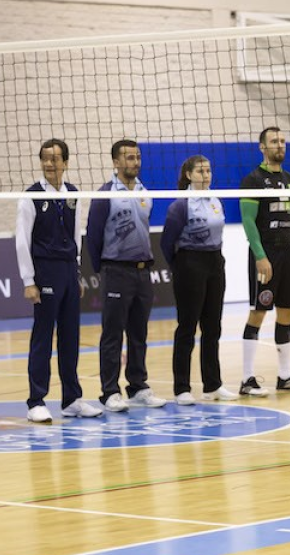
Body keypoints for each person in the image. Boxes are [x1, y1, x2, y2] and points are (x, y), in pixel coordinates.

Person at [16, 139, 102, 423]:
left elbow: (77, 234)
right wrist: (29, 280)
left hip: (67, 270)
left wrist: (77, 272)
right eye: (45, 158)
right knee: (43, 336)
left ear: (65, 162)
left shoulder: (73, 193)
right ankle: (36, 401)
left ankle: (72, 399)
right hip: (45, 270)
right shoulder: (31, 196)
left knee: (70, 336)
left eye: (54, 159)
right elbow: (21, 240)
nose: (49, 164)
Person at [87, 139, 167, 413]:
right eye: (129, 157)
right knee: (112, 334)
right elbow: (93, 236)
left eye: (137, 157)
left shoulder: (145, 192)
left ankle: (138, 387)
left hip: (142, 272)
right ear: (116, 162)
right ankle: (110, 392)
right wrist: (105, 269)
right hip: (116, 271)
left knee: (138, 333)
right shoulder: (105, 194)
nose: (135, 162)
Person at [238, 127, 290, 395]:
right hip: (265, 254)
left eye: (282, 141)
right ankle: (247, 379)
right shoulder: (253, 180)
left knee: (287, 311)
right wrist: (260, 256)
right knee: (258, 312)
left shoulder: (289, 179)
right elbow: (248, 221)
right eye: (274, 141)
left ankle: (284, 376)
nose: (280, 145)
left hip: (287, 253)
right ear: (262, 147)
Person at [161, 155, 237, 405]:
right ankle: (181, 388)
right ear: (189, 175)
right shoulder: (181, 205)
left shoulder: (215, 200)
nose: (206, 175)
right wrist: (181, 266)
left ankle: (212, 385)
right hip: (189, 263)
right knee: (187, 327)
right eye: (200, 171)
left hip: (215, 262)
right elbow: (166, 243)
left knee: (212, 327)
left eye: (208, 170)